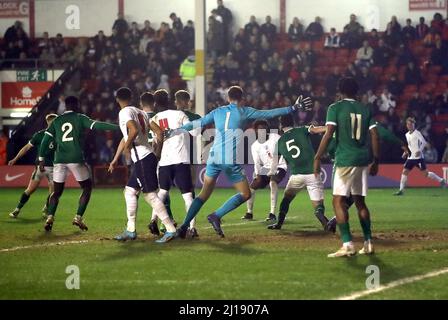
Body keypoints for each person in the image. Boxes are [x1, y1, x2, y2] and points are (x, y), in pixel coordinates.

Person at [169, 86, 312, 238]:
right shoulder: (244, 111)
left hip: (213, 157)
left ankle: (184, 227)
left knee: (203, 194)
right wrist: (293, 107)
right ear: (242, 98)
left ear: (228, 98)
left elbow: (198, 123)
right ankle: (216, 215)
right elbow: (269, 113)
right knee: (246, 193)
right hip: (229, 159)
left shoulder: (217, 111)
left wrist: (175, 131)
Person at [314, 77, 380, 258]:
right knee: (360, 202)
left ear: (340, 91)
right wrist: (376, 160)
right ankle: (367, 243)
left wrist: (318, 157)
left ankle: (347, 244)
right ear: (356, 91)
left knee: (337, 201)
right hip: (362, 159)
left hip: (345, 159)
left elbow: (328, 134)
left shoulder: (335, 108)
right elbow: (374, 134)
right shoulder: (365, 109)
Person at [38, 96, 119, 232]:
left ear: (65, 106)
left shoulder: (56, 120)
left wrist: (41, 159)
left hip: (59, 160)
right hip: (75, 158)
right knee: (87, 188)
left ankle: (50, 217)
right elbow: (97, 125)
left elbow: (45, 140)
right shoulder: (80, 118)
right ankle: (78, 217)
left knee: (56, 192)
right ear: (76, 105)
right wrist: (118, 127)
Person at [112, 87, 177, 243]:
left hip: (141, 158)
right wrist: (158, 152)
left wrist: (127, 146)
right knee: (129, 191)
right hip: (147, 157)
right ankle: (130, 229)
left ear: (117, 99)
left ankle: (170, 228)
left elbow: (133, 130)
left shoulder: (124, 112)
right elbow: (159, 132)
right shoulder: (140, 112)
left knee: (150, 195)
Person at [266, 115, 335, 232]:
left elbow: (275, 162)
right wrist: (330, 128)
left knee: (286, 199)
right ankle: (323, 221)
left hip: (296, 176)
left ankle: (279, 223)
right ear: (293, 122)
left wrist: (271, 173)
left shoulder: (280, 141)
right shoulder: (302, 129)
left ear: (281, 126)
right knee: (318, 205)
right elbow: (317, 129)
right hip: (313, 174)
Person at [149, 90, 200, 238]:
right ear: (171, 100)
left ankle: (153, 220)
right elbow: (195, 133)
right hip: (180, 159)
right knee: (187, 195)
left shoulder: (156, 118)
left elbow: (156, 141)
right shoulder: (179, 115)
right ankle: (191, 228)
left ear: (156, 104)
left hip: (164, 161)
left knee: (162, 193)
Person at [8, 114, 58, 218]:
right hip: (40, 167)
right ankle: (17, 209)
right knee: (30, 190)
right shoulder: (39, 135)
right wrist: (15, 159)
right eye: (55, 122)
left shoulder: (59, 136)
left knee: (53, 193)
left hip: (54, 168)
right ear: (50, 122)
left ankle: (46, 209)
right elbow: (26, 148)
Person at [242, 120, 287, 222]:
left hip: (279, 166)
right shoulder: (255, 146)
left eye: (264, 128)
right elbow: (257, 162)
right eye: (259, 128)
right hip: (266, 168)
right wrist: (257, 174)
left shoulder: (275, 137)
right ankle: (249, 212)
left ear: (267, 129)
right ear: (256, 131)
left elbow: (284, 149)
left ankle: (272, 213)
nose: (262, 130)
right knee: (251, 188)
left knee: (272, 182)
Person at [394, 117, 446, 195]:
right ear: (406, 125)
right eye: (408, 124)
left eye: (411, 124)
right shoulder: (407, 134)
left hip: (418, 158)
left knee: (426, 174)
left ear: (414, 125)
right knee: (404, 172)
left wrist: (419, 150)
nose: (409, 126)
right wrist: (406, 152)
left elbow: (424, 142)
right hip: (410, 158)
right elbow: (409, 145)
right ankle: (401, 191)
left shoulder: (417, 133)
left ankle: (441, 180)